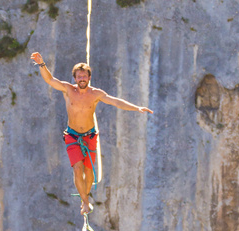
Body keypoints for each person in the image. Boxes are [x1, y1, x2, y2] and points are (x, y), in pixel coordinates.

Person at [30, 52, 153, 215]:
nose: (82, 79)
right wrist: (41, 64)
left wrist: (136, 107)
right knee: (77, 169)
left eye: (84, 76)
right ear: (75, 78)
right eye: (79, 76)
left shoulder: (95, 94)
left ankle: (85, 197)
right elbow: (50, 80)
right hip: (72, 135)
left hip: (90, 136)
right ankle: (86, 202)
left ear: (89, 78)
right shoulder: (68, 90)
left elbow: (115, 101)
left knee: (89, 172)